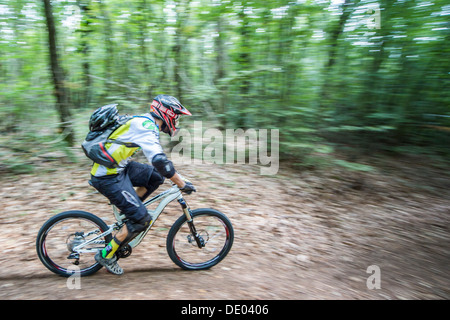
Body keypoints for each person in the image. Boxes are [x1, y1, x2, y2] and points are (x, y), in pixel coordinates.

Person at [90, 94, 196, 275]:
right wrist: (180, 183)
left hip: (118, 168)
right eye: (176, 117)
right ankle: (106, 255)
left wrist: (175, 175)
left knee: (155, 177)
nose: (176, 122)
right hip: (108, 176)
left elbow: (159, 166)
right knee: (143, 219)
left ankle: (129, 210)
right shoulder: (147, 127)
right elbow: (160, 161)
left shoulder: (145, 121)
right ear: (167, 113)